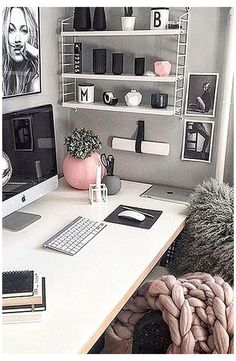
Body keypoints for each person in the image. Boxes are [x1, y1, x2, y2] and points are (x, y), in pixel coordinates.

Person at [2, 7, 40, 97]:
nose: (17, 39)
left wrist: (35, 53)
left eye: (24, 31)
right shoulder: (4, 79)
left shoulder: (36, 83)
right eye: (11, 30)